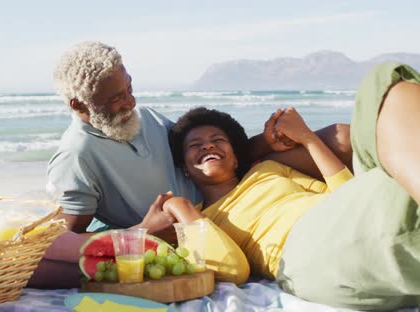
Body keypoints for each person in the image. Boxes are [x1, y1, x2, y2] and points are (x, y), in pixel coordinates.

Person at [27, 41, 350, 289]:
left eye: (130, 89)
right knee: (42, 264)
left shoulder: (147, 118)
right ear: (78, 104)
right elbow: (69, 241)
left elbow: (200, 153)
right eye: (115, 99)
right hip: (182, 232)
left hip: (230, 190)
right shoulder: (75, 156)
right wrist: (142, 232)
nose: (130, 102)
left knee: (340, 138)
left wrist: (267, 142)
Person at [159, 63, 420, 310]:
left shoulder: (267, 169)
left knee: (385, 80)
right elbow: (233, 269)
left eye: (217, 139)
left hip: (343, 215)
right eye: (195, 146)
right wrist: (180, 205)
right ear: (184, 167)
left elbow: (344, 193)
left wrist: (306, 137)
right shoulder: (197, 219)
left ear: (237, 156)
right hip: (302, 254)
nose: (208, 145)